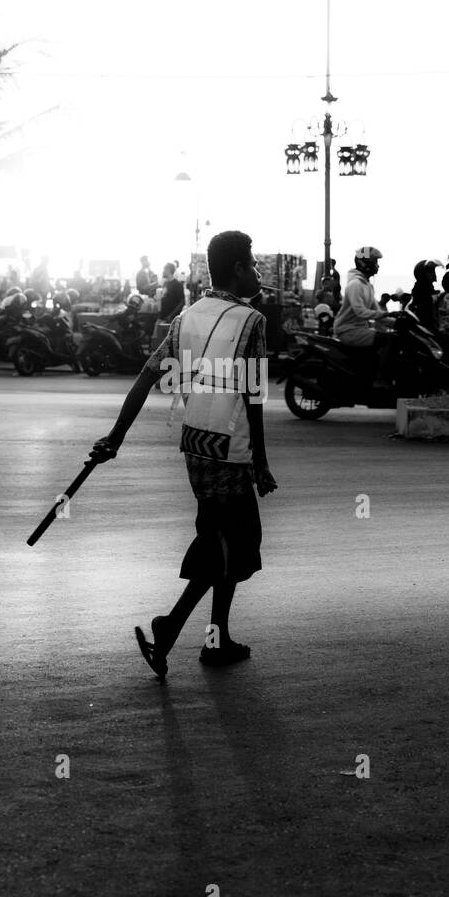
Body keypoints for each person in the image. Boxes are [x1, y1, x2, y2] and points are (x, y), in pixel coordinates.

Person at [91, 229, 277, 681]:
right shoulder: (251, 322)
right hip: (229, 450)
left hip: (195, 444)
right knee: (228, 548)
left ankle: (215, 638)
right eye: (252, 263)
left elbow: (146, 377)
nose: (256, 271)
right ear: (237, 267)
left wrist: (114, 437)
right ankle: (169, 629)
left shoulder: (186, 316)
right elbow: (253, 400)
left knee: (222, 542)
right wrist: (261, 463)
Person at [151, 262, 186, 349]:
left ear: (169, 270)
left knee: (168, 345)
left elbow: (182, 302)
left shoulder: (177, 285)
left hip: (170, 320)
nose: (163, 271)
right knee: (157, 341)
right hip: (162, 317)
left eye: (164, 269)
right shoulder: (165, 283)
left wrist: (171, 315)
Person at [407, 259, 443, 333]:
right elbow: (427, 314)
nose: (434, 275)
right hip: (426, 328)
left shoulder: (424, 289)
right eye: (431, 272)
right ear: (423, 274)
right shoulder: (422, 291)